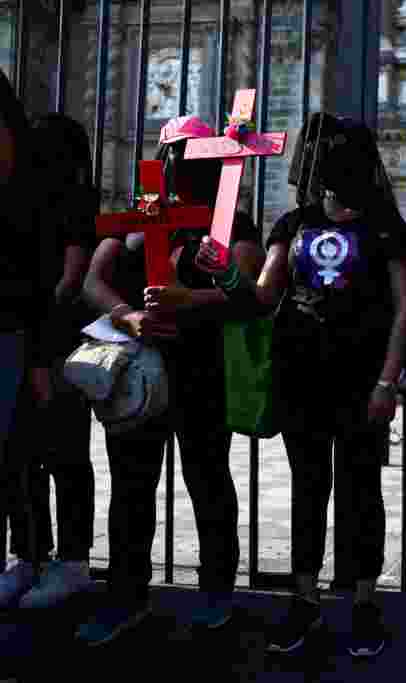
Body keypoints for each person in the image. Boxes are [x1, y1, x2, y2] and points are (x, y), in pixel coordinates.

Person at [195, 113, 406, 658]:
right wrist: (225, 273)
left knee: (362, 490)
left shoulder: (388, 226)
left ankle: (364, 602)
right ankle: (304, 599)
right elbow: (266, 294)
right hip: (301, 376)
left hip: (362, 379)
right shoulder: (292, 224)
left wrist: (389, 379)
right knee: (307, 487)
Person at [77, 115, 263, 646]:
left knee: (208, 481)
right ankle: (127, 595)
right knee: (131, 489)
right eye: (173, 153)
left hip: (201, 371)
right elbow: (94, 279)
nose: (180, 163)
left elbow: (249, 292)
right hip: (139, 372)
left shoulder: (231, 223)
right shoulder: (141, 217)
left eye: (192, 153)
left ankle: (217, 592)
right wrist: (127, 315)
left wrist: (191, 301)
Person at [0, 113, 98, 610]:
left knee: (64, 455)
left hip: (56, 345)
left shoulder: (73, 200)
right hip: (30, 340)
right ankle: (32, 555)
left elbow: (69, 280)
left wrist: (43, 346)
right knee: (24, 457)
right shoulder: (27, 201)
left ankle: (72, 560)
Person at [0, 68, 53, 607]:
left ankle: (28, 558)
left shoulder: (25, 200)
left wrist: (38, 356)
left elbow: (40, 282)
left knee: (16, 459)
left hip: (10, 338)